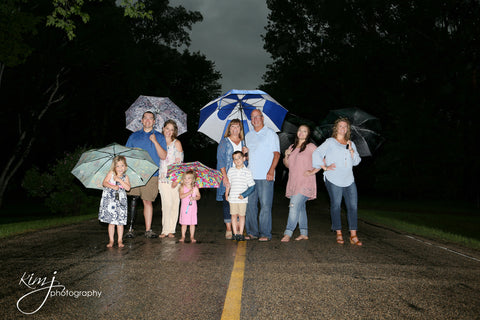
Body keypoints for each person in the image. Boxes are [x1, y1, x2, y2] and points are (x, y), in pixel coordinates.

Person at [306, 117, 363, 246]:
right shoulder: (330, 142)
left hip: (349, 179)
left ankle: (353, 235)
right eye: (341, 126)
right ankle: (338, 233)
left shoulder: (351, 144)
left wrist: (352, 152)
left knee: (353, 206)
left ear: (348, 129)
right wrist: (325, 167)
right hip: (333, 178)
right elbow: (316, 153)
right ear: (336, 128)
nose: (343, 128)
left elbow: (357, 162)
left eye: (345, 127)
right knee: (336, 205)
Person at [126, 111, 167, 238]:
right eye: (145, 118)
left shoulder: (159, 137)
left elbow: (164, 156)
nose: (148, 120)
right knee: (133, 200)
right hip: (135, 172)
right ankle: (130, 229)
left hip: (152, 174)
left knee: (147, 201)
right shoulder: (134, 136)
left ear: (154, 122)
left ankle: (148, 230)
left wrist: (155, 141)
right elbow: (126, 154)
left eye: (151, 118)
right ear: (142, 121)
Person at [242, 109, 280, 241]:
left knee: (265, 205)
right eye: (252, 117)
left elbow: (277, 154)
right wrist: (245, 154)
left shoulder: (271, 134)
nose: (255, 119)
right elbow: (249, 157)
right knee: (250, 205)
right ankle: (252, 232)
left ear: (262, 118)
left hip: (266, 176)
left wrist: (271, 171)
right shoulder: (248, 135)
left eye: (257, 117)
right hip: (251, 175)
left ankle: (265, 233)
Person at [281, 125, 317, 242]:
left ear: (308, 134)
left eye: (304, 131)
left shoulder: (311, 147)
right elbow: (288, 165)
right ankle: (304, 233)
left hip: (306, 182)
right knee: (300, 208)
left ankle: (288, 232)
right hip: (294, 182)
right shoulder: (292, 147)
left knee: (293, 206)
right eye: (300, 130)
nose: (301, 133)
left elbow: (322, 159)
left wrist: (313, 171)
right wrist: (286, 155)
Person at [216, 119, 246, 239]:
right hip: (228, 175)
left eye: (237, 127)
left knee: (239, 201)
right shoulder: (224, 142)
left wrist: (247, 154)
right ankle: (229, 228)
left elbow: (247, 162)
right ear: (229, 128)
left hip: (241, 177)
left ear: (240, 129)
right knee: (227, 202)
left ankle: (238, 226)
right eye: (232, 126)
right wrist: (225, 177)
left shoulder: (244, 143)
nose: (235, 129)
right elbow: (221, 160)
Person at [158, 119, 184, 238]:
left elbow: (180, 163)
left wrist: (177, 179)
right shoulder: (159, 142)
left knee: (174, 204)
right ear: (163, 129)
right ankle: (165, 229)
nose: (169, 131)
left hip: (174, 179)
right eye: (167, 128)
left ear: (174, 132)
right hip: (162, 179)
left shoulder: (177, 143)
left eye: (171, 129)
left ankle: (171, 230)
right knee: (166, 204)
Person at [99, 156, 131, 247]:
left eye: (122, 165)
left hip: (121, 202)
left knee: (120, 222)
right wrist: (112, 186)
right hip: (111, 201)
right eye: (118, 166)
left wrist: (120, 180)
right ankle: (111, 240)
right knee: (111, 222)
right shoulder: (111, 174)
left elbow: (128, 188)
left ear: (125, 166)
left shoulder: (125, 177)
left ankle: (120, 240)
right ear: (114, 167)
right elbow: (104, 183)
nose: (120, 168)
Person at [225, 151, 255, 241]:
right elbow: (228, 184)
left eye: (239, 157)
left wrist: (244, 195)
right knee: (233, 215)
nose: (237, 160)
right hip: (233, 198)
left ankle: (241, 233)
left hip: (243, 199)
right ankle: (235, 233)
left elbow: (252, 186)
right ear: (233, 161)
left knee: (242, 216)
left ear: (243, 158)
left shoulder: (247, 172)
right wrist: (227, 194)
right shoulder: (231, 170)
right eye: (235, 159)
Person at [178, 170, 201, 243]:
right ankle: (183, 236)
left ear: (193, 179)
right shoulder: (182, 187)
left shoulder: (195, 188)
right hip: (185, 208)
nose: (186, 180)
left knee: (192, 223)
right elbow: (181, 196)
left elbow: (199, 196)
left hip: (192, 208)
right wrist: (189, 193)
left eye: (189, 178)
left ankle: (192, 236)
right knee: (184, 223)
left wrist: (194, 198)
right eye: (185, 178)